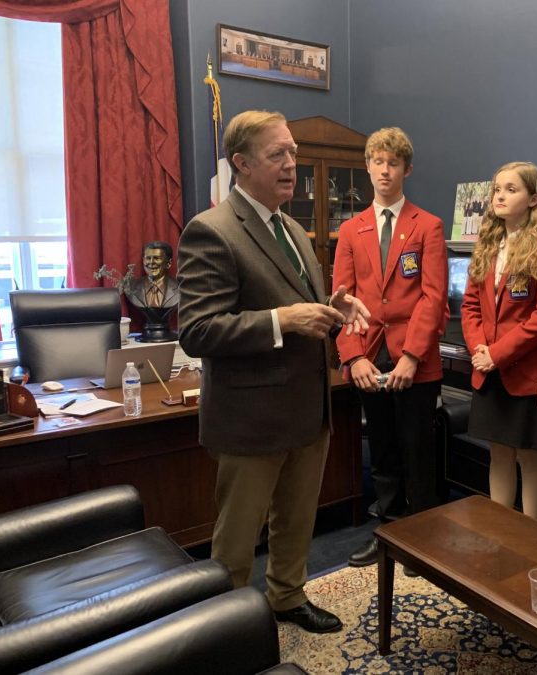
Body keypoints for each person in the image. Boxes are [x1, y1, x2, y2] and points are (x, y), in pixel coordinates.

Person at [177, 109, 369, 634]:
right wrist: (280, 320)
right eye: (277, 155)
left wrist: (332, 308)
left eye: (293, 153)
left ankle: (287, 596)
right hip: (251, 417)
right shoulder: (211, 231)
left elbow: (295, 305)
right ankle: (230, 626)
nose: (291, 165)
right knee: (238, 538)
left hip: (309, 408)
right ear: (241, 164)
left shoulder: (295, 230)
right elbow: (197, 331)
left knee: (297, 519)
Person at [333, 127, 448, 569]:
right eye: (378, 162)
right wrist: (353, 356)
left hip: (412, 356)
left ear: (407, 169)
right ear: (367, 166)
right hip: (368, 352)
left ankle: (421, 541)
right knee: (380, 449)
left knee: (416, 447)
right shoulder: (350, 229)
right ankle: (387, 533)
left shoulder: (428, 226)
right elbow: (341, 298)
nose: (385, 170)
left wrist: (412, 357)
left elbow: (433, 297)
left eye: (393, 163)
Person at [461, 162, 537, 520]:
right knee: (498, 454)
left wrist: (496, 353)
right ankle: (500, 532)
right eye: (497, 189)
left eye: (511, 189)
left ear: (534, 199)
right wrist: (480, 349)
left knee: (529, 457)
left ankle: (530, 537)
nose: (500, 196)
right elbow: (470, 305)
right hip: (488, 369)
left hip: (525, 374)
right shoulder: (488, 242)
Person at [125, 241, 179, 309]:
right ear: (143, 261)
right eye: (148, 258)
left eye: (157, 258)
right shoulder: (130, 287)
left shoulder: (180, 288)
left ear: (169, 263)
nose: (151, 262)